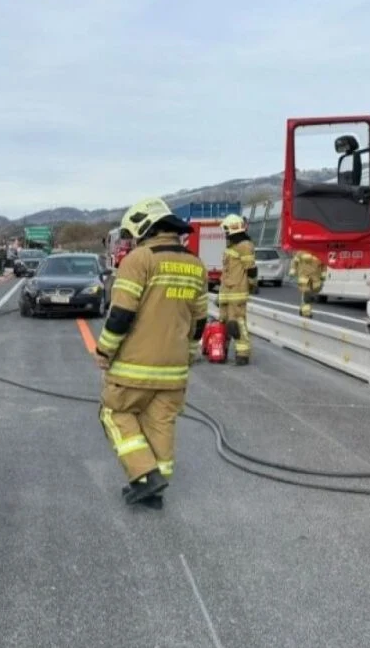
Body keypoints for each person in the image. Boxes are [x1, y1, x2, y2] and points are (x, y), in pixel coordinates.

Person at [95, 197, 207, 506]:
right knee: (161, 423)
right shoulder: (195, 264)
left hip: (134, 367)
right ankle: (153, 491)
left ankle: (144, 473)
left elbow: (121, 314)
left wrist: (104, 350)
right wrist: (189, 353)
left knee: (113, 413)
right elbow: (200, 320)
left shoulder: (140, 259)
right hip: (175, 370)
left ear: (144, 227)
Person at [217, 214, 257, 365]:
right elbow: (227, 271)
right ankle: (221, 351)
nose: (225, 233)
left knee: (237, 323)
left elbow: (251, 270)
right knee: (223, 323)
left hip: (237, 293)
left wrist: (252, 285)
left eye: (226, 230)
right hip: (227, 292)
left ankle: (243, 354)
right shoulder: (232, 246)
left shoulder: (245, 246)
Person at [289, 250, 327, 319]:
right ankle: (306, 312)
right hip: (304, 277)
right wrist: (293, 270)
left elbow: (324, 264)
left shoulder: (320, 252)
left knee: (312, 293)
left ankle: (302, 308)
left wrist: (323, 274)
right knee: (307, 294)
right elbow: (295, 262)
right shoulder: (301, 252)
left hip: (315, 279)